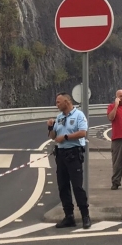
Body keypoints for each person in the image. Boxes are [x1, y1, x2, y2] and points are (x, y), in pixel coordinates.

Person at [47, 92, 90, 229]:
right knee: (63, 186)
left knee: (77, 187)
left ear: (67, 102)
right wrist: (50, 127)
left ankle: (85, 215)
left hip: (74, 154)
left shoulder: (79, 115)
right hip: (61, 154)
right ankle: (69, 216)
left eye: (59, 102)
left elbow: (83, 133)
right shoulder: (59, 118)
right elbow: (53, 136)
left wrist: (65, 137)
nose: (57, 104)